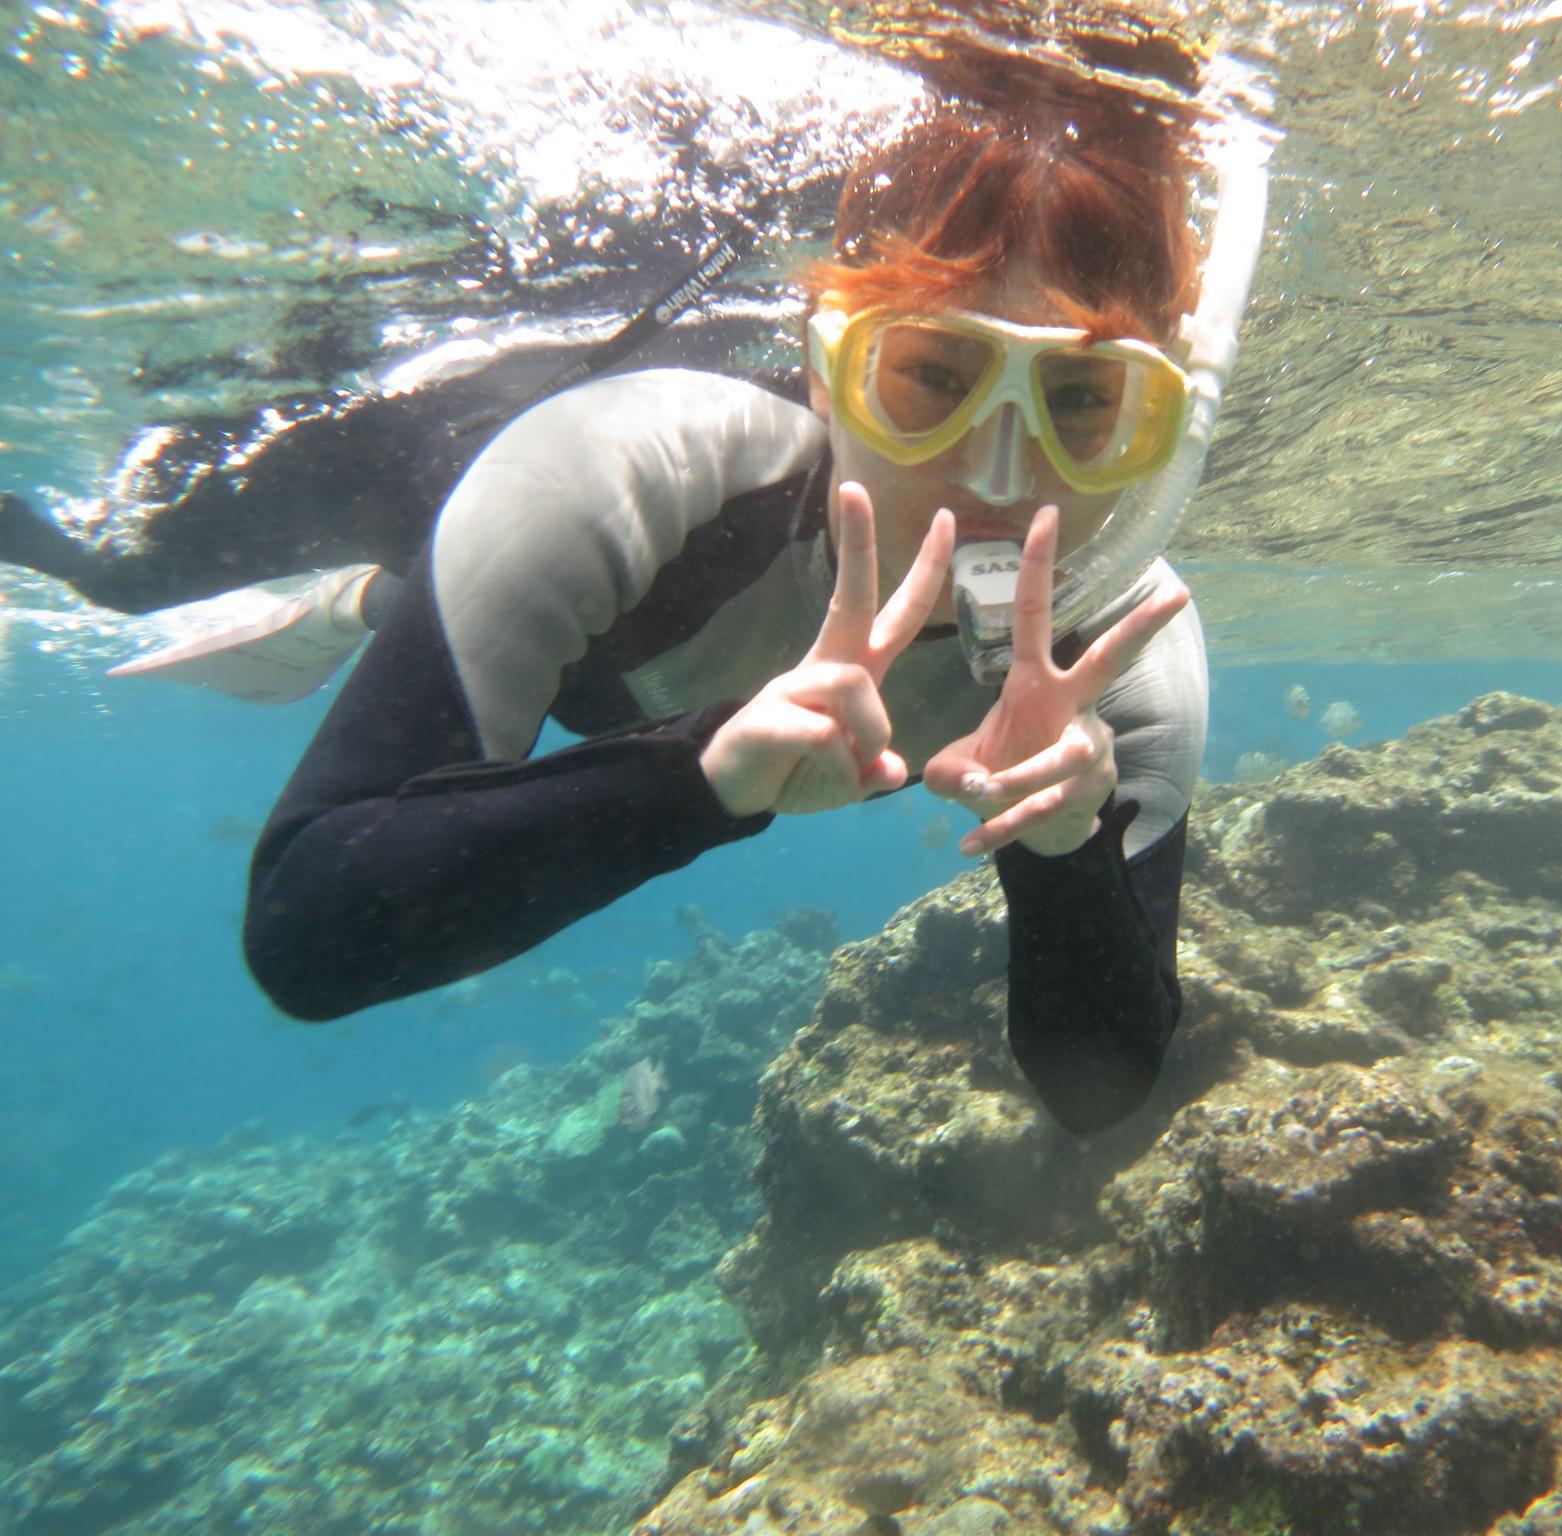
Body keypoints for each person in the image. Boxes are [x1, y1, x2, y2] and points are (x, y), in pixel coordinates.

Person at [241, 36, 1264, 1135]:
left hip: (607, 638)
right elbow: (306, 924)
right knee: (134, 568)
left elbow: (1095, 1081)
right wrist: (703, 776)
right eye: (930, 374)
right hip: (514, 533)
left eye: (1082, 399)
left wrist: (1066, 847)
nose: (999, 477)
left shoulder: (1127, 643)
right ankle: (358, 601)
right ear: (827, 372)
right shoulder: (628, 469)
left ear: (1162, 431)